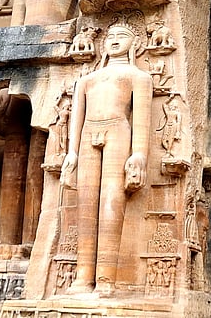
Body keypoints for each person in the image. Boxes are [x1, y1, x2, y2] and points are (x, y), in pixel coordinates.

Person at [60, 21, 153, 295]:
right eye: (110, 35)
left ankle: (106, 279)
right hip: (89, 131)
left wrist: (139, 155)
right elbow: (76, 118)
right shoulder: (87, 80)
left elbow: (141, 121)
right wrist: (72, 153)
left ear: (135, 43)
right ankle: (82, 277)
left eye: (121, 35)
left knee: (112, 202)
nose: (113, 39)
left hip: (118, 130)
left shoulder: (139, 77)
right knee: (86, 205)